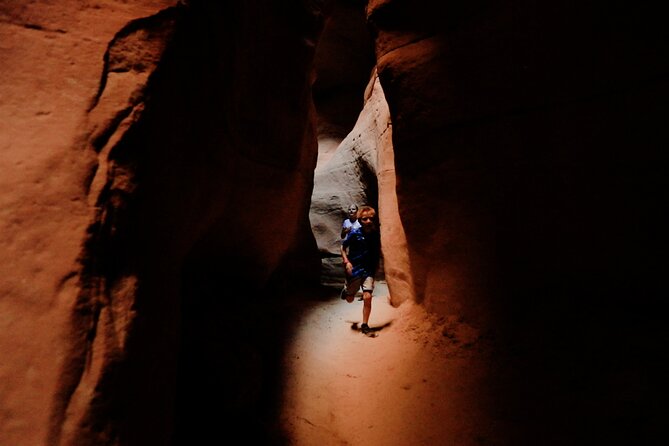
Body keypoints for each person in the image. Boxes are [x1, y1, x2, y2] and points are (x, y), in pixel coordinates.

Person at [340, 205, 381, 334]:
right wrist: (346, 262)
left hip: (368, 269)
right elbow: (342, 247)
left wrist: (375, 269)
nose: (368, 221)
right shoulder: (354, 233)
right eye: (365, 219)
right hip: (355, 268)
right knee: (350, 299)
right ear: (360, 220)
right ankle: (347, 291)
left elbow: (376, 252)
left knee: (367, 296)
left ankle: (365, 325)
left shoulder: (375, 235)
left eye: (371, 219)